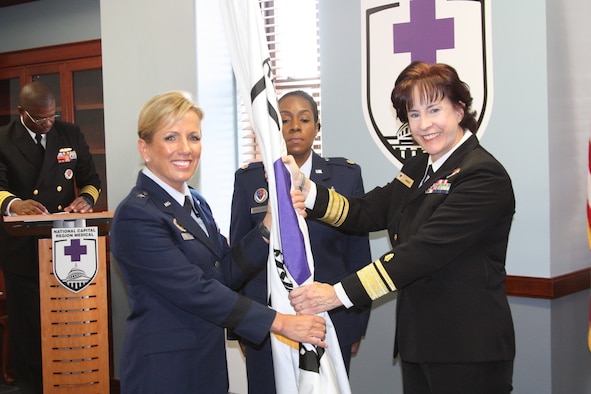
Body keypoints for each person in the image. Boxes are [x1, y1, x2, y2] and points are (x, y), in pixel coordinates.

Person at [286, 62, 516, 393]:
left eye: (434, 109)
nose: (424, 125)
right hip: (420, 342)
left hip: (467, 348)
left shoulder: (482, 175)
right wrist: (307, 191)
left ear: (460, 109)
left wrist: (337, 294)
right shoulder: (421, 165)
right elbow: (367, 211)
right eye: (414, 114)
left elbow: (421, 253)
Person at [109, 91, 327, 394]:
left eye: (194, 137)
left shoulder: (196, 203)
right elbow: (196, 290)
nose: (185, 149)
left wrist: (266, 228)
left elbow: (224, 273)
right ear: (144, 148)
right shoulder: (136, 215)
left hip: (206, 366)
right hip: (164, 374)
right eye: (171, 138)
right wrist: (281, 322)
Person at [229, 90, 372, 393]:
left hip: (330, 320)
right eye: (284, 119)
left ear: (316, 127)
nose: (294, 126)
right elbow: (238, 258)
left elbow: (357, 255)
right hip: (267, 323)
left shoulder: (344, 177)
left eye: (304, 119)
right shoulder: (249, 180)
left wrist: (356, 323)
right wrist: (241, 328)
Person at [0, 81, 101, 394]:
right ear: (22, 113)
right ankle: (33, 387)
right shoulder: (3, 138)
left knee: (68, 324)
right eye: (40, 119)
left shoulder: (69, 133)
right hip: (22, 250)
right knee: (29, 329)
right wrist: (15, 204)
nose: (47, 124)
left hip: (66, 246)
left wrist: (86, 199)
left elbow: (91, 179)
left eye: (51, 116)